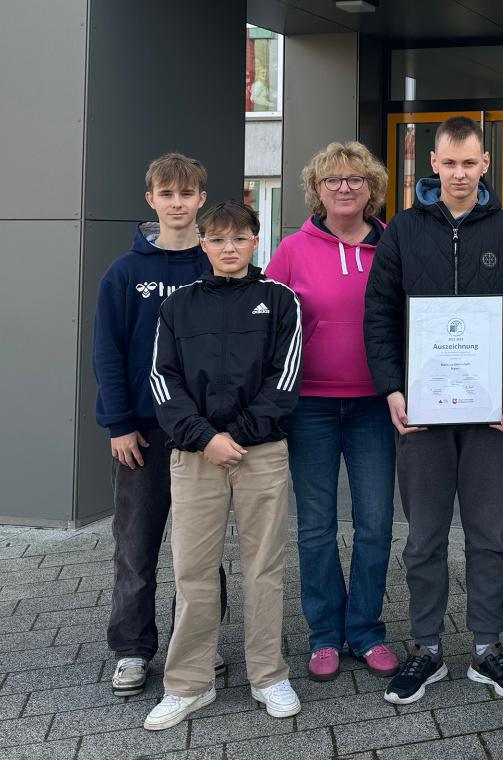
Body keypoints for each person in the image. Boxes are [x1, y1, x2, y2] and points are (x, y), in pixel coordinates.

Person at [363, 115, 503, 705]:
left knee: (489, 535)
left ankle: (487, 648)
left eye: (471, 163)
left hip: (492, 414)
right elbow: (380, 317)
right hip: (422, 412)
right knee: (424, 537)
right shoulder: (402, 233)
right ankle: (427, 649)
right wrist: (392, 387)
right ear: (432, 165)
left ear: (486, 164)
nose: (460, 174)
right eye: (450, 163)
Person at [144, 201, 302, 730]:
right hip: (195, 456)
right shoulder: (178, 306)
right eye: (217, 239)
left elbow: (286, 379)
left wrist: (238, 436)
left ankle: (268, 675)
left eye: (239, 238)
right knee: (191, 569)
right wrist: (205, 438)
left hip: (261, 453)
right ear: (202, 244)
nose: (228, 247)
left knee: (264, 568)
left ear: (257, 241)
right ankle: (188, 684)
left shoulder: (281, 301)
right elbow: (163, 382)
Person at [93, 153, 228, 698]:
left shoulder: (214, 265)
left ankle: (200, 644)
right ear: (151, 200)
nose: (178, 203)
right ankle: (131, 649)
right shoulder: (124, 274)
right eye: (167, 194)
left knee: (201, 550)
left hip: (200, 434)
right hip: (143, 436)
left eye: (187, 194)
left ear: (201, 200)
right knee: (136, 545)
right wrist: (119, 423)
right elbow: (107, 352)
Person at [265, 141, 399, 683]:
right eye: (333, 180)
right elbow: (266, 321)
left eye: (355, 179)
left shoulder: (393, 247)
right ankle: (324, 632)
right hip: (310, 406)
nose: (344, 187)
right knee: (317, 526)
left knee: (375, 523)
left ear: (372, 189)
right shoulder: (293, 249)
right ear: (316, 191)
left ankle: (365, 630)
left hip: (375, 405)